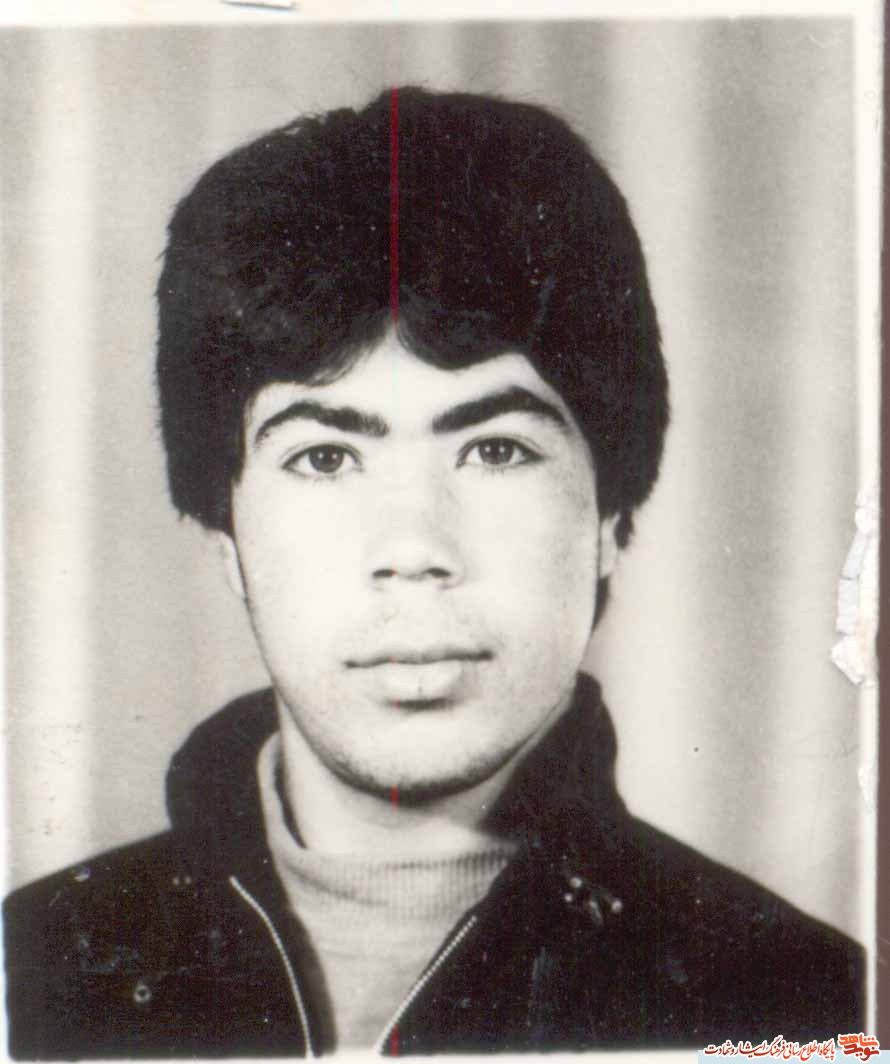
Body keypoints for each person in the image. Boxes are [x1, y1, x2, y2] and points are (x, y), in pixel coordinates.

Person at [3, 86, 863, 1057]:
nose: (413, 548)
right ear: (226, 539)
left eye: (495, 449)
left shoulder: (806, 1002)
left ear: (609, 521)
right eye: (324, 456)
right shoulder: (29, 968)